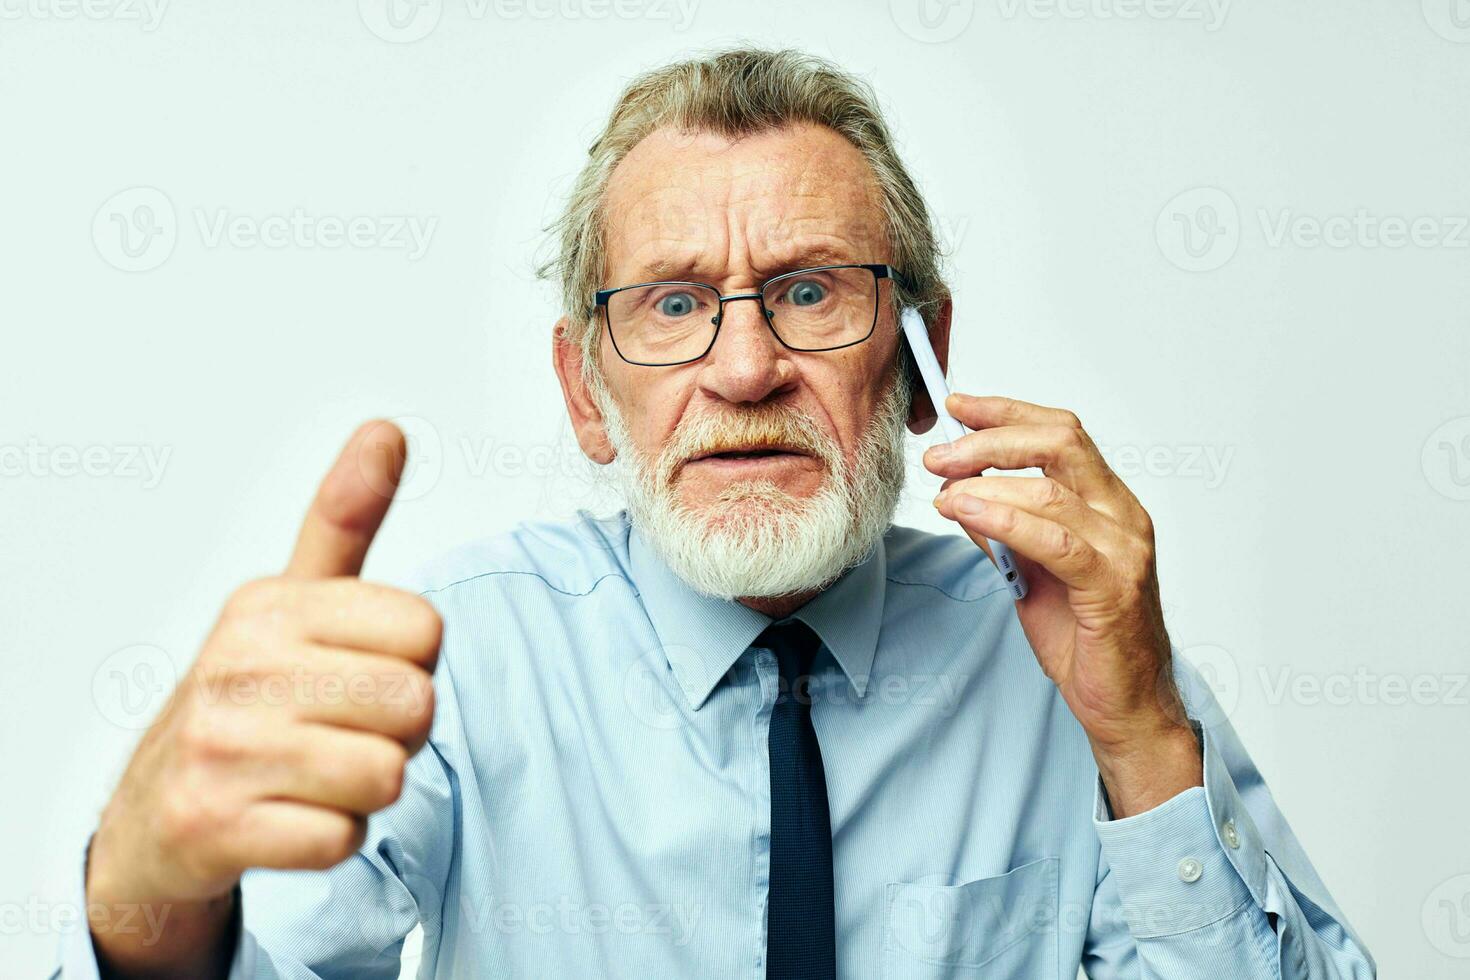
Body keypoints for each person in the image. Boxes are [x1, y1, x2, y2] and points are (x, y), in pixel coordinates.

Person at [64, 48, 1375, 978]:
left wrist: (1143, 737)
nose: (744, 371)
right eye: (675, 304)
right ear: (588, 392)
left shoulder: (1077, 665)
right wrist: (145, 902)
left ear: (918, 356)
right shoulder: (455, 665)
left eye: (809, 291)